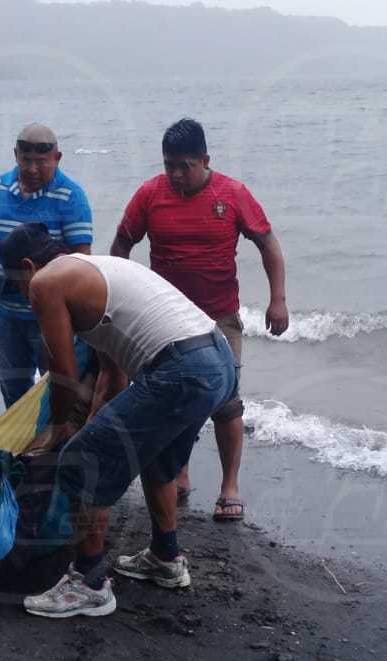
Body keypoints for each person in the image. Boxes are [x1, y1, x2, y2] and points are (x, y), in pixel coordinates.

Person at [0, 223, 237, 619]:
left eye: (16, 285)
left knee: (81, 462)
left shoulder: (45, 282)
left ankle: (89, 583)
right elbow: (113, 373)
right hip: (218, 361)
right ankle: (165, 558)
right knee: (158, 464)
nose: (24, 296)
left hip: (181, 370)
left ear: (27, 266)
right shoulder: (93, 271)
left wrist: (60, 432)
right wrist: (92, 422)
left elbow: (63, 372)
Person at [112, 117, 289, 522]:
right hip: (162, 317)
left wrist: (277, 300)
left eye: (184, 165)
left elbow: (269, 246)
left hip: (219, 318)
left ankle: (230, 486)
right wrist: (115, 299)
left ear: (205, 159)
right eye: (168, 165)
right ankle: (180, 473)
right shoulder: (150, 194)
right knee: (171, 397)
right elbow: (122, 243)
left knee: (226, 403)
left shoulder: (233, 194)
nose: (175, 174)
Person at [0, 123, 94, 407]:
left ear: (57, 158)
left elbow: (81, 263)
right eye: (26, 160)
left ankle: (55, 444)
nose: (33, 169)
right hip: (6, 316)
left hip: (50, 318)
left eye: (42, 162)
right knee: (13, 389)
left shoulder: (71, 197)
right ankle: (20, 447)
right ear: (16, 155)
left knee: (57, 391)